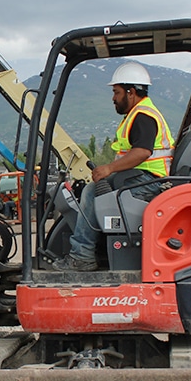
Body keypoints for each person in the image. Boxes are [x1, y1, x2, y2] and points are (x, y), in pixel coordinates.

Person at [52, 61, 174, 272]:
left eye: (117, 92)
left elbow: (142, 152)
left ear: (131, 92)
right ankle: (90, 249)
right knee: (93, 189)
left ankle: (82, 256)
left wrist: (109, 169)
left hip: (149, 181)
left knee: (92, 192)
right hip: (141, 177)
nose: (113, 98)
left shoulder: (143, 116)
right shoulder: (138, 114)